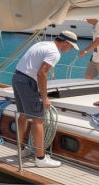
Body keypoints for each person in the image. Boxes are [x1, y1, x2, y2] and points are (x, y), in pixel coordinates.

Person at [13, 30, 79, 168]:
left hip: (17, 77)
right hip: (28, 82)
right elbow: (41, 73)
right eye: (71, 47)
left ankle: (20, 150)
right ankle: (40, 158)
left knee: (23, 115)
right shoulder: (55, 52)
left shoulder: (43, 44)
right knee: (38, 120)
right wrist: (45, 97)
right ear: (66, 42)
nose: (71, 49)